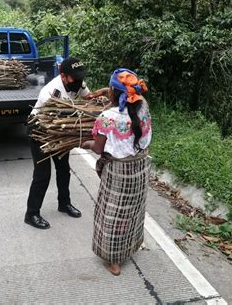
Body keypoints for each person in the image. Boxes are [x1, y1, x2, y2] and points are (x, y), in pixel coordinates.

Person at [81, 68, 152, 276]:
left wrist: (87, 143)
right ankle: (131, 246)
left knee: (112, 214)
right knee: (133, 211)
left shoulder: (107, 117)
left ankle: (113, 260)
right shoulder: (142, 107)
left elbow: (98, 148)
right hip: (140, 168)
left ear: (113, 92)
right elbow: (125, 104)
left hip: (119, 172)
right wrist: (110, 92)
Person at [25, 57, 100, 229]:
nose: (79, 80)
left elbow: (87, 96)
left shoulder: (77, 82)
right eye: (75, 77)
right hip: (40, 130)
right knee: (42, 174)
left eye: (80, 76)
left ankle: (64, 203)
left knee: (64, 169)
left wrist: (97, 99)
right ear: (63, 76)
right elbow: (55, 120)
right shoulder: (50, 92)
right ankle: (31, 214)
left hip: (60, 130)